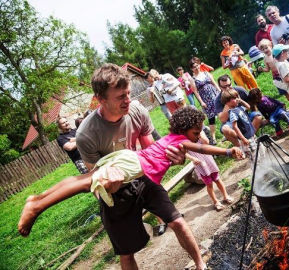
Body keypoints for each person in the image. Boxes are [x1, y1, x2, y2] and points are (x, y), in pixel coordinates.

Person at [66, 63, 204, 270]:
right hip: (115, 193)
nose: (128, 100)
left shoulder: (136, 110)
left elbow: (151, 152)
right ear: (101, 99)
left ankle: (201, 264)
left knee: (177, 222)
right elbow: (94, 179)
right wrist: (109, 188)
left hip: (142, 177)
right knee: (126, 252)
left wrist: (172, 158)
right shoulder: (86, 134)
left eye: (128, 93)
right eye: (120, 97)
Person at [18, 107, 243, 233]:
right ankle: (38, 206)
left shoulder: (170, 137)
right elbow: (202, 147)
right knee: (87, 183)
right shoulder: (181, 141)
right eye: (196, 131)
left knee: (85, 178)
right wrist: (227, 152)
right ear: (185, 130)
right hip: (134, 164)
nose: (198, 135)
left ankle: (38, 198)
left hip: (131, 158)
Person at [186, 130, 234, 211]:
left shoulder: (199, 131)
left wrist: (199, 134)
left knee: (217, 179)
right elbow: (184, 153)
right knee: (209, 184)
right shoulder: (184, 139)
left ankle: (226, 196)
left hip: (209, 161)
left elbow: (206, 142)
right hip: (200, 165)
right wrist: (192, 158)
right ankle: (216, 202)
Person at [214, 74, 263, 147]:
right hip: (231, 120)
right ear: (220, 87)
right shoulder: (218, 99)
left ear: (231, 82)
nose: (227, 88)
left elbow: (251, 105)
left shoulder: (240, 90)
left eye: (229, 85)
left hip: (244, 115)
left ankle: (251, 139)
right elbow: (223, 120)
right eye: (224, 87)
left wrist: (241, 101)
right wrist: (228, 103)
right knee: (225, 129)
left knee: (258, 117)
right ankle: (239, 147)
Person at [258, 38, 289, 108]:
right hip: (276, 77)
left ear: (271, 46)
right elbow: (267, 69)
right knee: (285, 92)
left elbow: (284, 60)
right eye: (263, 49)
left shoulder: (275, 54)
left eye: (266, 48)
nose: (265, 50)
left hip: (284, 73)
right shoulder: (265, 59)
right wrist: (262, 69)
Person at [189, 59, 220, 145]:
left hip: (215, 94)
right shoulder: (193, 79)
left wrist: (220, 91)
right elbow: (195, 92)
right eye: (194, 67)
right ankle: (213, 138)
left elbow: (214, 83)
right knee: (211, 118)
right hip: (206, 99)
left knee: (221, 112)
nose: (196, 68)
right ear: (191, 69)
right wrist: (202, 102)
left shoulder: (206, 73)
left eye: (197, 65)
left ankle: (226, 129)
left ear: (199, 65)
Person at [220, 89, 256, 154]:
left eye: (236, 97)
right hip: (246, 137)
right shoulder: (232, 113)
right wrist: (243, 138)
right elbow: (235, 127)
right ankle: (255, 164)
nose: (236, 99)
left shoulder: (239, 108)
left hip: (251, 133)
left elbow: (248, 107)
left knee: (259, 150)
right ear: (227, 102)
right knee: (253, 154)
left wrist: (241, 100)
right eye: (234, 98)